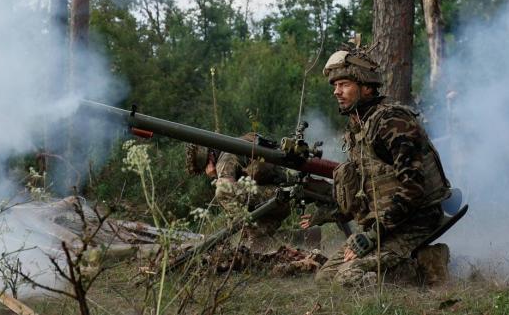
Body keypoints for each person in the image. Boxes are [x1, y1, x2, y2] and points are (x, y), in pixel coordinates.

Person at [314, 45, 451, 286]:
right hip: (385, 225)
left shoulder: (391, 121)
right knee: (324, 280)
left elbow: (413, 186)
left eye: (344, 84)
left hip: (415, 220)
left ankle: (428, 262)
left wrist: (372, 235)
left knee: (346, 281)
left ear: (366, 87)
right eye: (335, 86)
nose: (337, 91)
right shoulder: (358, 128)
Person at [185, 133, 294, 251]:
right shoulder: (235, 144)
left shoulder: (224, 160)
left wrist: (214, 176)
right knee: (254, 237)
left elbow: (226, 191)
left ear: (210, 159)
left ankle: (253, 237)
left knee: (222, 191)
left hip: (279, 197)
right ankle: (262, 244)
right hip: (283, 198)